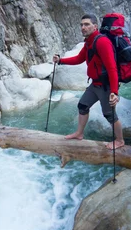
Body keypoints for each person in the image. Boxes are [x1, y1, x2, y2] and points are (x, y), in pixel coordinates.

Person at [53, 14, 124, 149]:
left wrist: (114, 92)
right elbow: (79, 59)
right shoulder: (89, 42)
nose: (83, 27)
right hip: (95, 84)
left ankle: (120, 140)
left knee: (109, 115)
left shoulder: (102, 42)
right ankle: (79, 133)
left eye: (86, 24)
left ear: (95, 26)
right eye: (81, 25)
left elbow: (112, 68)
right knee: (83, 106)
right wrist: (61, 61)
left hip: (105, 86)